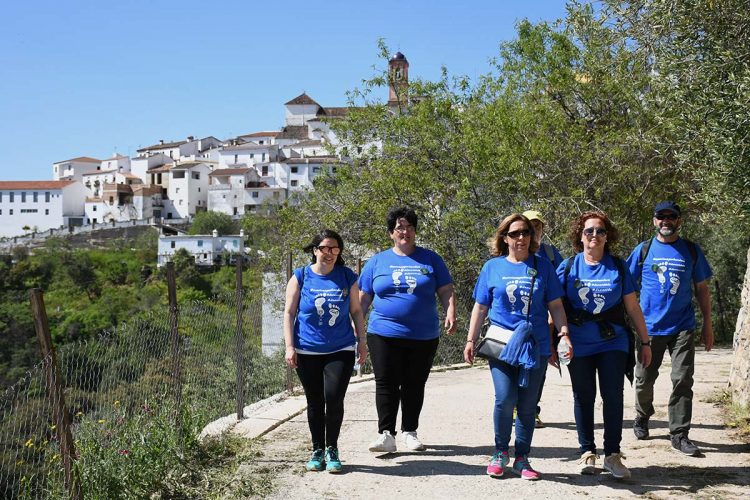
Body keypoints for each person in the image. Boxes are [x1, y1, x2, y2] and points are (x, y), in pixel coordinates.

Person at [465, 213, 570, 481]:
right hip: (502, 344)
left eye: (525, 232)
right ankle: (500, 452)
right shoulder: (492, 267)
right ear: (504, 238)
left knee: (527, 404)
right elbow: (480, 306)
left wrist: (564, 335)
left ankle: (522, 458)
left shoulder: (543, 266)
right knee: (505, 398)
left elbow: (555, 305)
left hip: (535, 345)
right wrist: (470, 340)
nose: (521, 238)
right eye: (514, 234)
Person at [558, 211, 652, 479]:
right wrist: (554, 341)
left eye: (600, 231)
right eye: (589, 231)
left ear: (607, 236)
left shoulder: (618, 267)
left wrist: (645, 341)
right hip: (578, 342)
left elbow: (633, 308)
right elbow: (554, 307)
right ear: (580, 235)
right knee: (583, 396)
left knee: (612, 395)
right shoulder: (567, 267)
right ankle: (587, 452)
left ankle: (612, 455)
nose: (594, 236)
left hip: (613, 340)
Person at [359, 207, 456, 453]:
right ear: (391, 233)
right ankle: (386, 435)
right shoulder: (377, 261)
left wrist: (450, 311)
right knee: (386, 382)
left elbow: (445, 289)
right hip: (383, 331)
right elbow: (363, 297)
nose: (406, 232)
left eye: (410, 227)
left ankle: (410, 432)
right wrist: (355, 325)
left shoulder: (431, 259)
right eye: (400, 228)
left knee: (414, 383)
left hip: (423, 334)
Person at [627, 201, 713, 456]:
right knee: (643, 379)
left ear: (679, 221)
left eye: (671, 217)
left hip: (682, 327)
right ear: (654, 221)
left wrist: (707, 323)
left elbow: (702, 289)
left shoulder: (691, 250)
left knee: (683, 380)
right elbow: (627, 287)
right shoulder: (643, 250)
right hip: (649, 328)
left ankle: (679, 433)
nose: (666, 221)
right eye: (661, 217)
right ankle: (643, 415)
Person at [283, 229, 368, 473]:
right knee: (315, 401)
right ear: (315, 250)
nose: (329, 253)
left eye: (334, 248)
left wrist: (361, 341)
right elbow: (289, 313)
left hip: (339, 348)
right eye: (324, 248)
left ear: (339, 251)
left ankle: (333, 449)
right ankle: (317, 449)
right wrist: (289, 346)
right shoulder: (300, 276)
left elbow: (356, 311)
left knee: (334, 398)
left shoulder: (347, 276)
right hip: (307, 348)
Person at [522, 209, 564, 428]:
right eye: (529, 225)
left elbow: (560, 284)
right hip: (516, 324)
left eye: (538, 226)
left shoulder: (550, 254)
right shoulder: (513, 251)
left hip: (544, 321)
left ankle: (531, 410)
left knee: (540, 367)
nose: (534, 229)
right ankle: (514, 409)